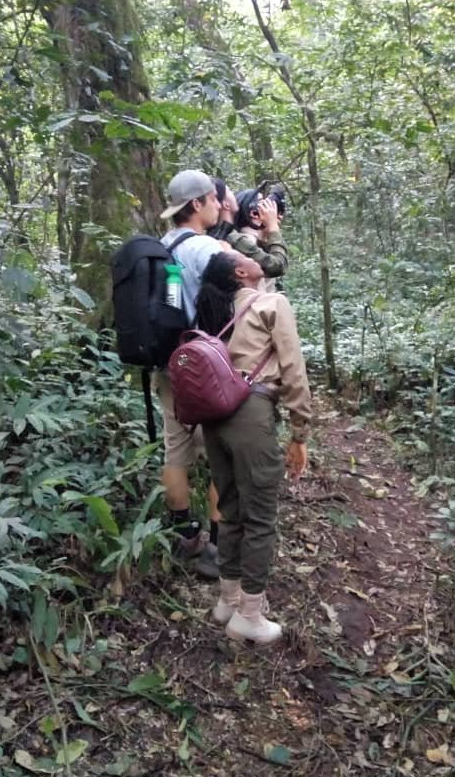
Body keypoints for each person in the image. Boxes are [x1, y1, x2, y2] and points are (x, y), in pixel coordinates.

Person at [194, 251, 311, 644]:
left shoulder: (214, 309)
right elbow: (293, 367)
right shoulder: (271, 303)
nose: (255, 256)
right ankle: (250, 615)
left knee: (230, 510)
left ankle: (227, 600)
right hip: (251, 411)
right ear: (240, 272)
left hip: (214, 416)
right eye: (245, 256)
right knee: (260, 516)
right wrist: (300, 432)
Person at [155, 169, 225, 578]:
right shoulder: (203, 248)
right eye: (214, 199)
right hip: (203, 365)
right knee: (221, 455)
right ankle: (216, 549)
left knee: (176, 451)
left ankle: (183, 536)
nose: (218, 205)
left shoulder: (162, 245)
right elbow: (251, 273)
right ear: (196, 204)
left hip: (168, 364)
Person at [209, 180, 288, 289]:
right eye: (262, 203)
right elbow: (277, 266)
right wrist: (273, 227)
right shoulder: (242, 239)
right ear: (254, 213)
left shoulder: (236, 236)